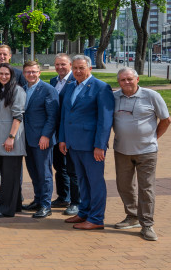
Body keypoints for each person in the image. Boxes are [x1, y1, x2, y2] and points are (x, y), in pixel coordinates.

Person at [112, 67, 170, 241]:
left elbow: (166, 120)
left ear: (137, 79)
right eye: (122, 80)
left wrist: (153, 138)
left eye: (129, 79)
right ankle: (132, 216)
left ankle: (147, 225)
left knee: (146, 188)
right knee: (124, 185)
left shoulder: (152, 96)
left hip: (147, 151)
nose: (126, 82)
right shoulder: (114, 98)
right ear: (118, 82)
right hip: (122, 150)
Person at [58, 55, 114, 230]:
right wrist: (62, 138)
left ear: (90, 68)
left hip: (91, 146)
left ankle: (96, 218)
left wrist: (100, 145)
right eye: (75, 68)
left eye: (81, 68)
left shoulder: (101, 87)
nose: (77, 71)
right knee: (82, 180)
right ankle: (84, 212)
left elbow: (105, 120)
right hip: (74, 143)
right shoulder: (70, 86)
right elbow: (65, 115)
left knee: (95, 182)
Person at [20, 61, 59, 218]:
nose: (31, 74)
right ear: (24, 74)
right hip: (27, 139)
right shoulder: (22, 90)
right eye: (28, 72)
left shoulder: (48, 90)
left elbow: (52, 116)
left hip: (42, 139)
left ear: (39, 73)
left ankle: (45, 205)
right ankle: (37, 200)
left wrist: (46, 136)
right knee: (33, 171)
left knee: (44, 173)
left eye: (34, 72)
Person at [0, 63, 26, 218]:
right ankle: (15, 204)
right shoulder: (1, 91)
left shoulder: (17, 90)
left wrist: (11, 138)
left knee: (9, 175)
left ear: (12, 75)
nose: (3, 76)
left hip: (11, 139)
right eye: (1, 74)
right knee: (9, 174)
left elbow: (18, 115)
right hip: (1, 139)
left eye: (7, 74)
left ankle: (5, 208)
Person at [50, 53, 79, 216]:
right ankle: (63, 196)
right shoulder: (54, 81)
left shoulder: (75, 82)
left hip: (69, 131)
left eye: (63, 64)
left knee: (72, 168)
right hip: (55, 131)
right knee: (59, 166)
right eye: (57, 64)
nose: (60, 67)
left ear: (70, 65)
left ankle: (76, 201)